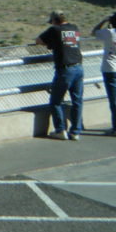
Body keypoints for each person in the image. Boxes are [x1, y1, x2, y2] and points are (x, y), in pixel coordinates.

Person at [36, 10, 84, 140]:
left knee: (56, 101)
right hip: (79, 67)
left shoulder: (54, 30)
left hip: (65, 69)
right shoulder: (74, 28)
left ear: (55, 20)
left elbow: (38, 40)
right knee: (77, 101)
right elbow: (66, 43)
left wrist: (49, 43)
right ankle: (75, 131)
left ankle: (60, 129)